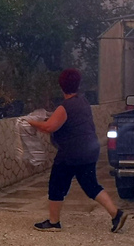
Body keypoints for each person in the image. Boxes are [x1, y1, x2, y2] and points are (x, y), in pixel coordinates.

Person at [28, 68, 128, 233]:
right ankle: (116, 214)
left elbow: (48, 127)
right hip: (89, 151)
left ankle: (54, 223)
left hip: (71, 154)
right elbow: (63, 120)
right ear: (78, 85)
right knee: (91, 185)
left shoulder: (65, 106)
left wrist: (31, 122)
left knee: (56, 185)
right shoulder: (83, 101)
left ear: (61, 86)